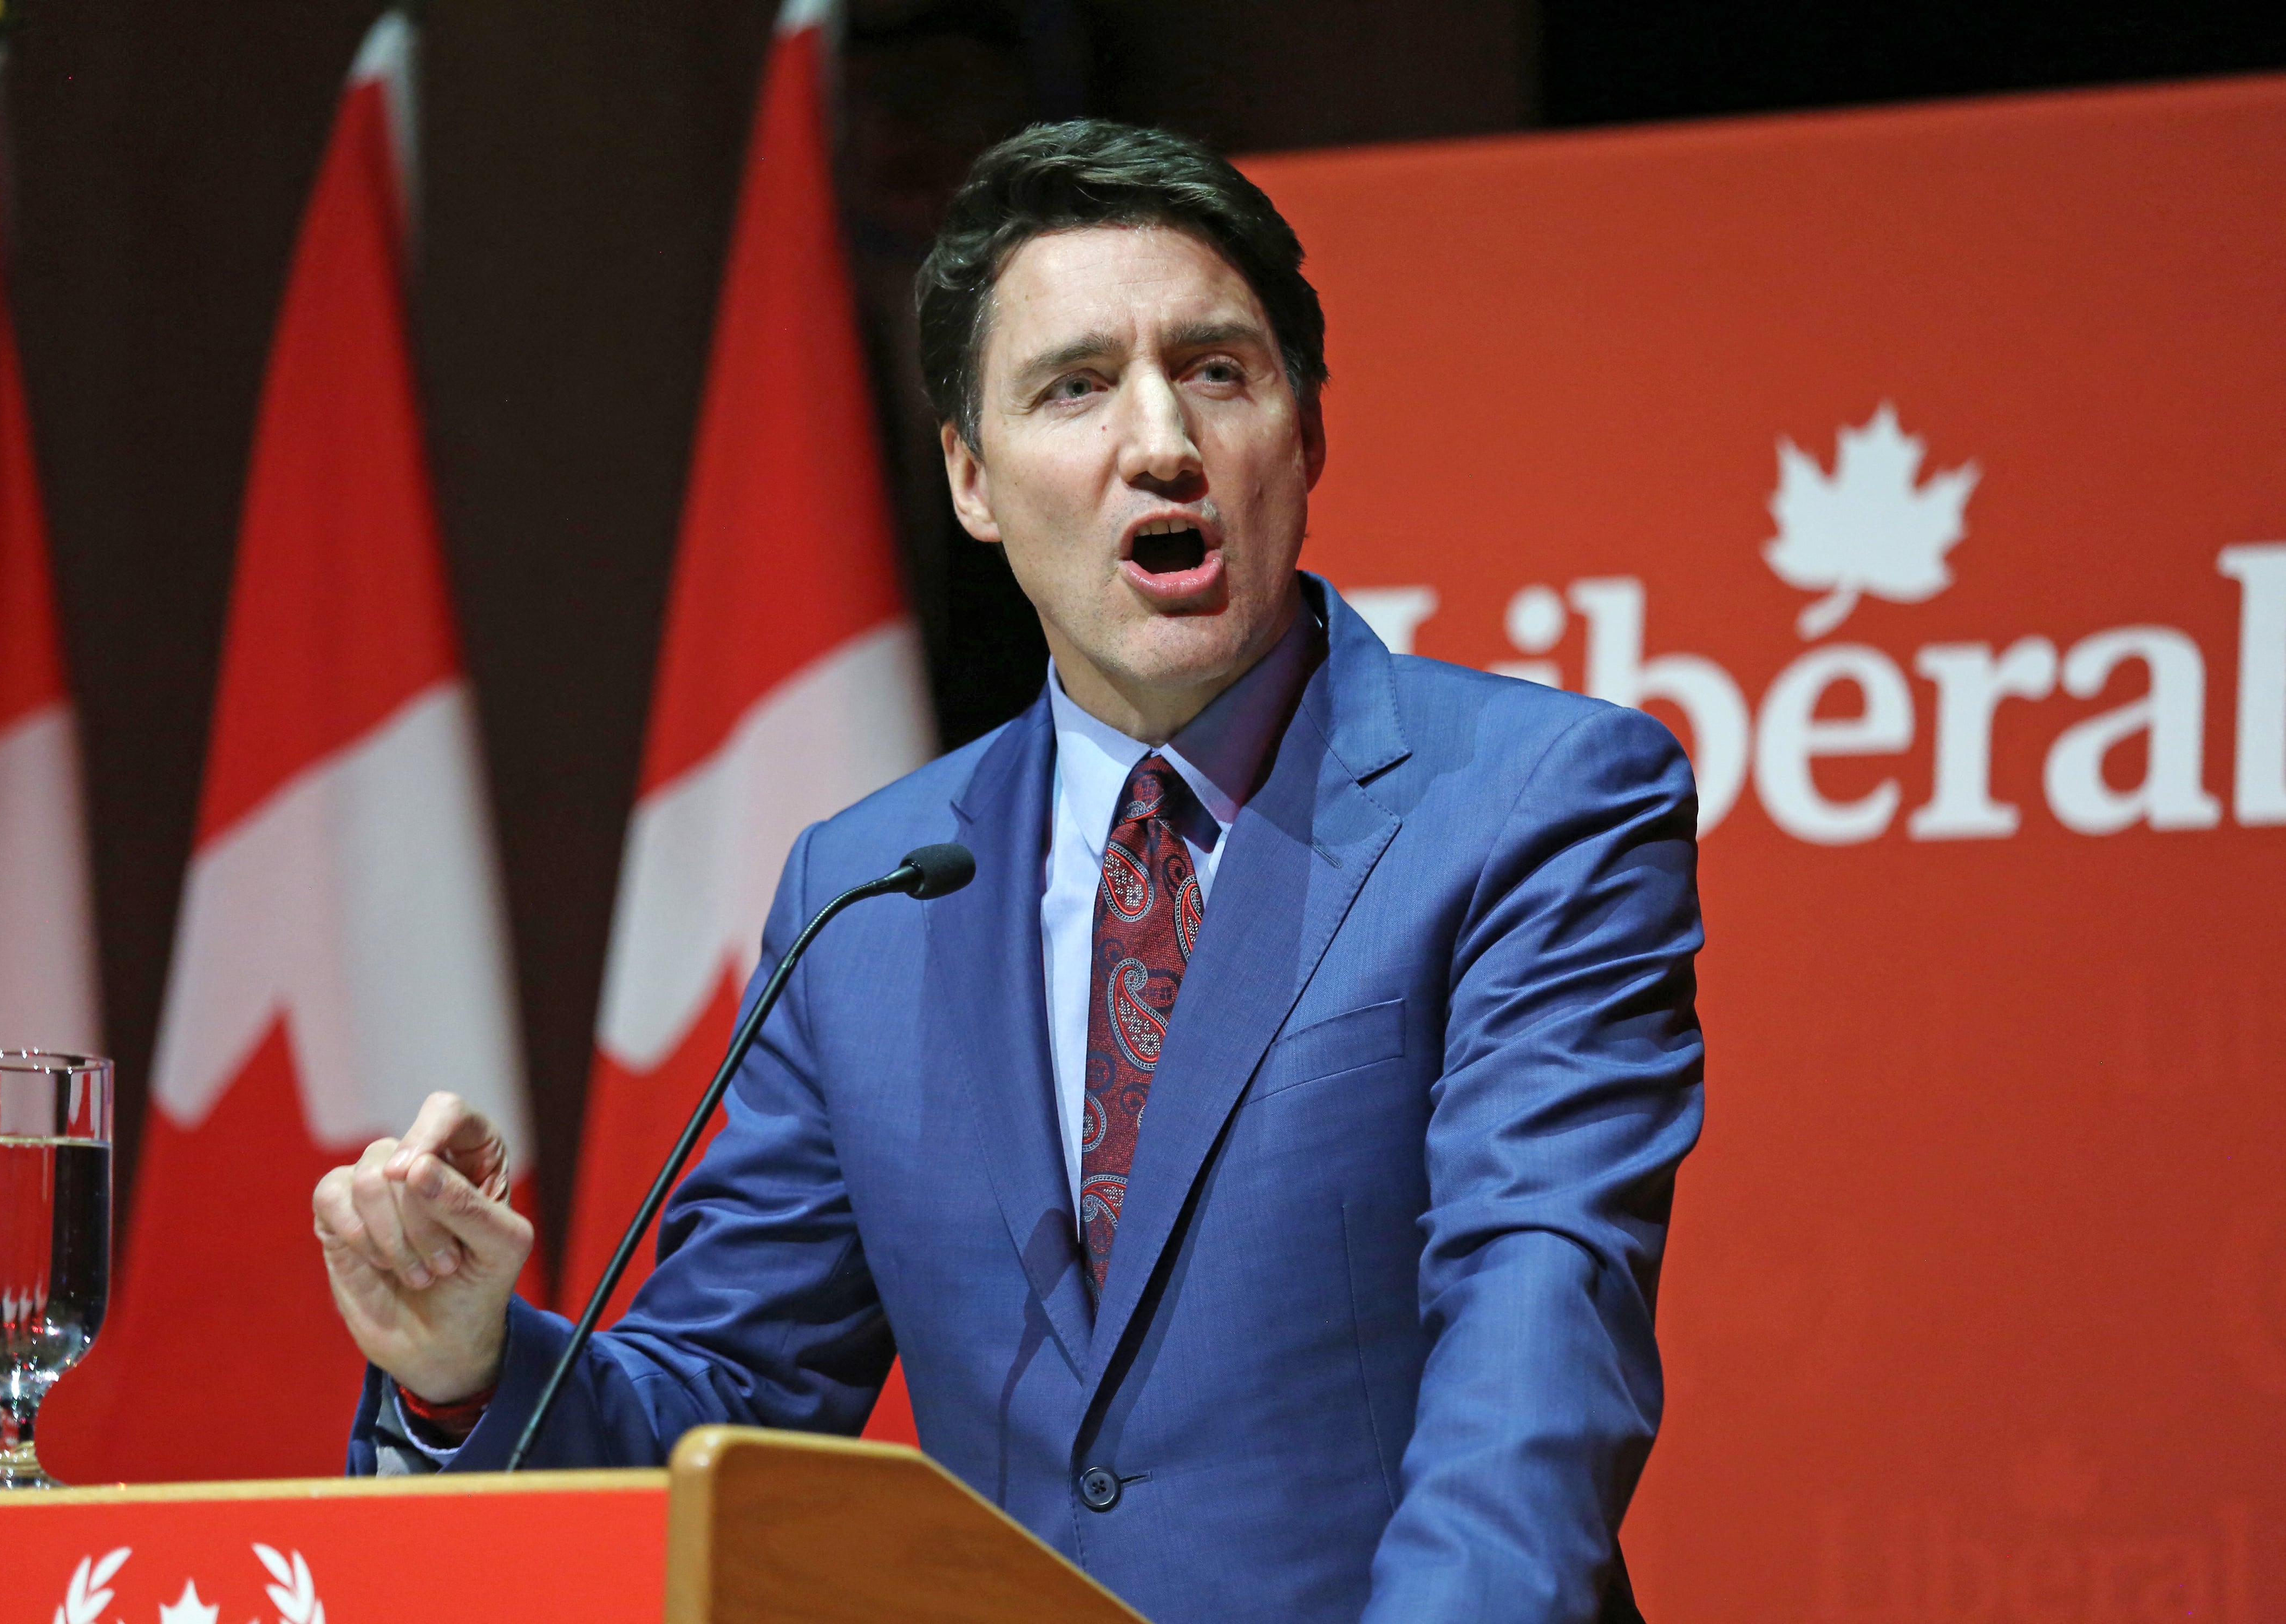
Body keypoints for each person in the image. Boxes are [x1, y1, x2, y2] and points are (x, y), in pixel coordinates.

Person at [313, 120, 1702, 1624]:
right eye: (1076, 387)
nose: (1159, 442)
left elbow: (1535, 1339)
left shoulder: (1532, 802)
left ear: (1305, 434)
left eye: (1218, 372)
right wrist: (467, 1366)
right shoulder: (867, 894)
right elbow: (729, 1417)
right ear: (973, 482)